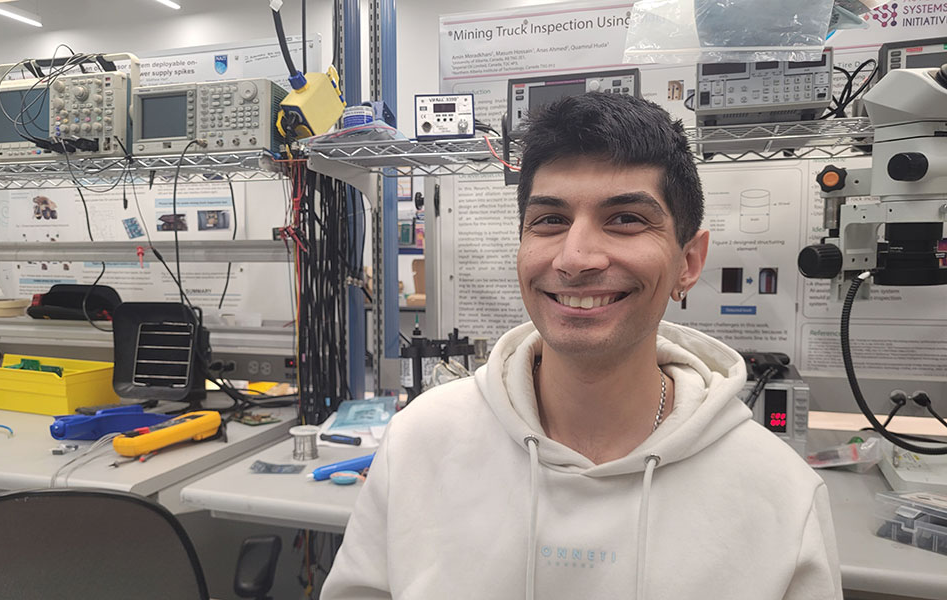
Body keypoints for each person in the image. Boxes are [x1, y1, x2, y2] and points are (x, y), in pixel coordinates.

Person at [322, 92, 842, 600]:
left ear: (689, 261)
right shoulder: (419, 442)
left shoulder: (781, 496)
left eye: (625, 219)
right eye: (550, 220)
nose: (576, 258)